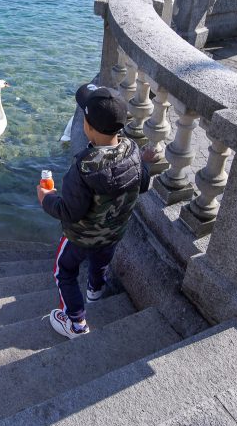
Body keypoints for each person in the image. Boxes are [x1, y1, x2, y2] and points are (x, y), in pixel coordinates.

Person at [37, 83, 158, 339]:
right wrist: (145, 163)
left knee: (65, 271)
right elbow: (143, 184)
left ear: (87, 126)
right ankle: (95, 291)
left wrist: (46, 199)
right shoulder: (134, 152)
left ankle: (76, 324)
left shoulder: (83, 168)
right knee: (100, 263)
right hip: (113, 233)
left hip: (80, 237)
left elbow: (70, 212)